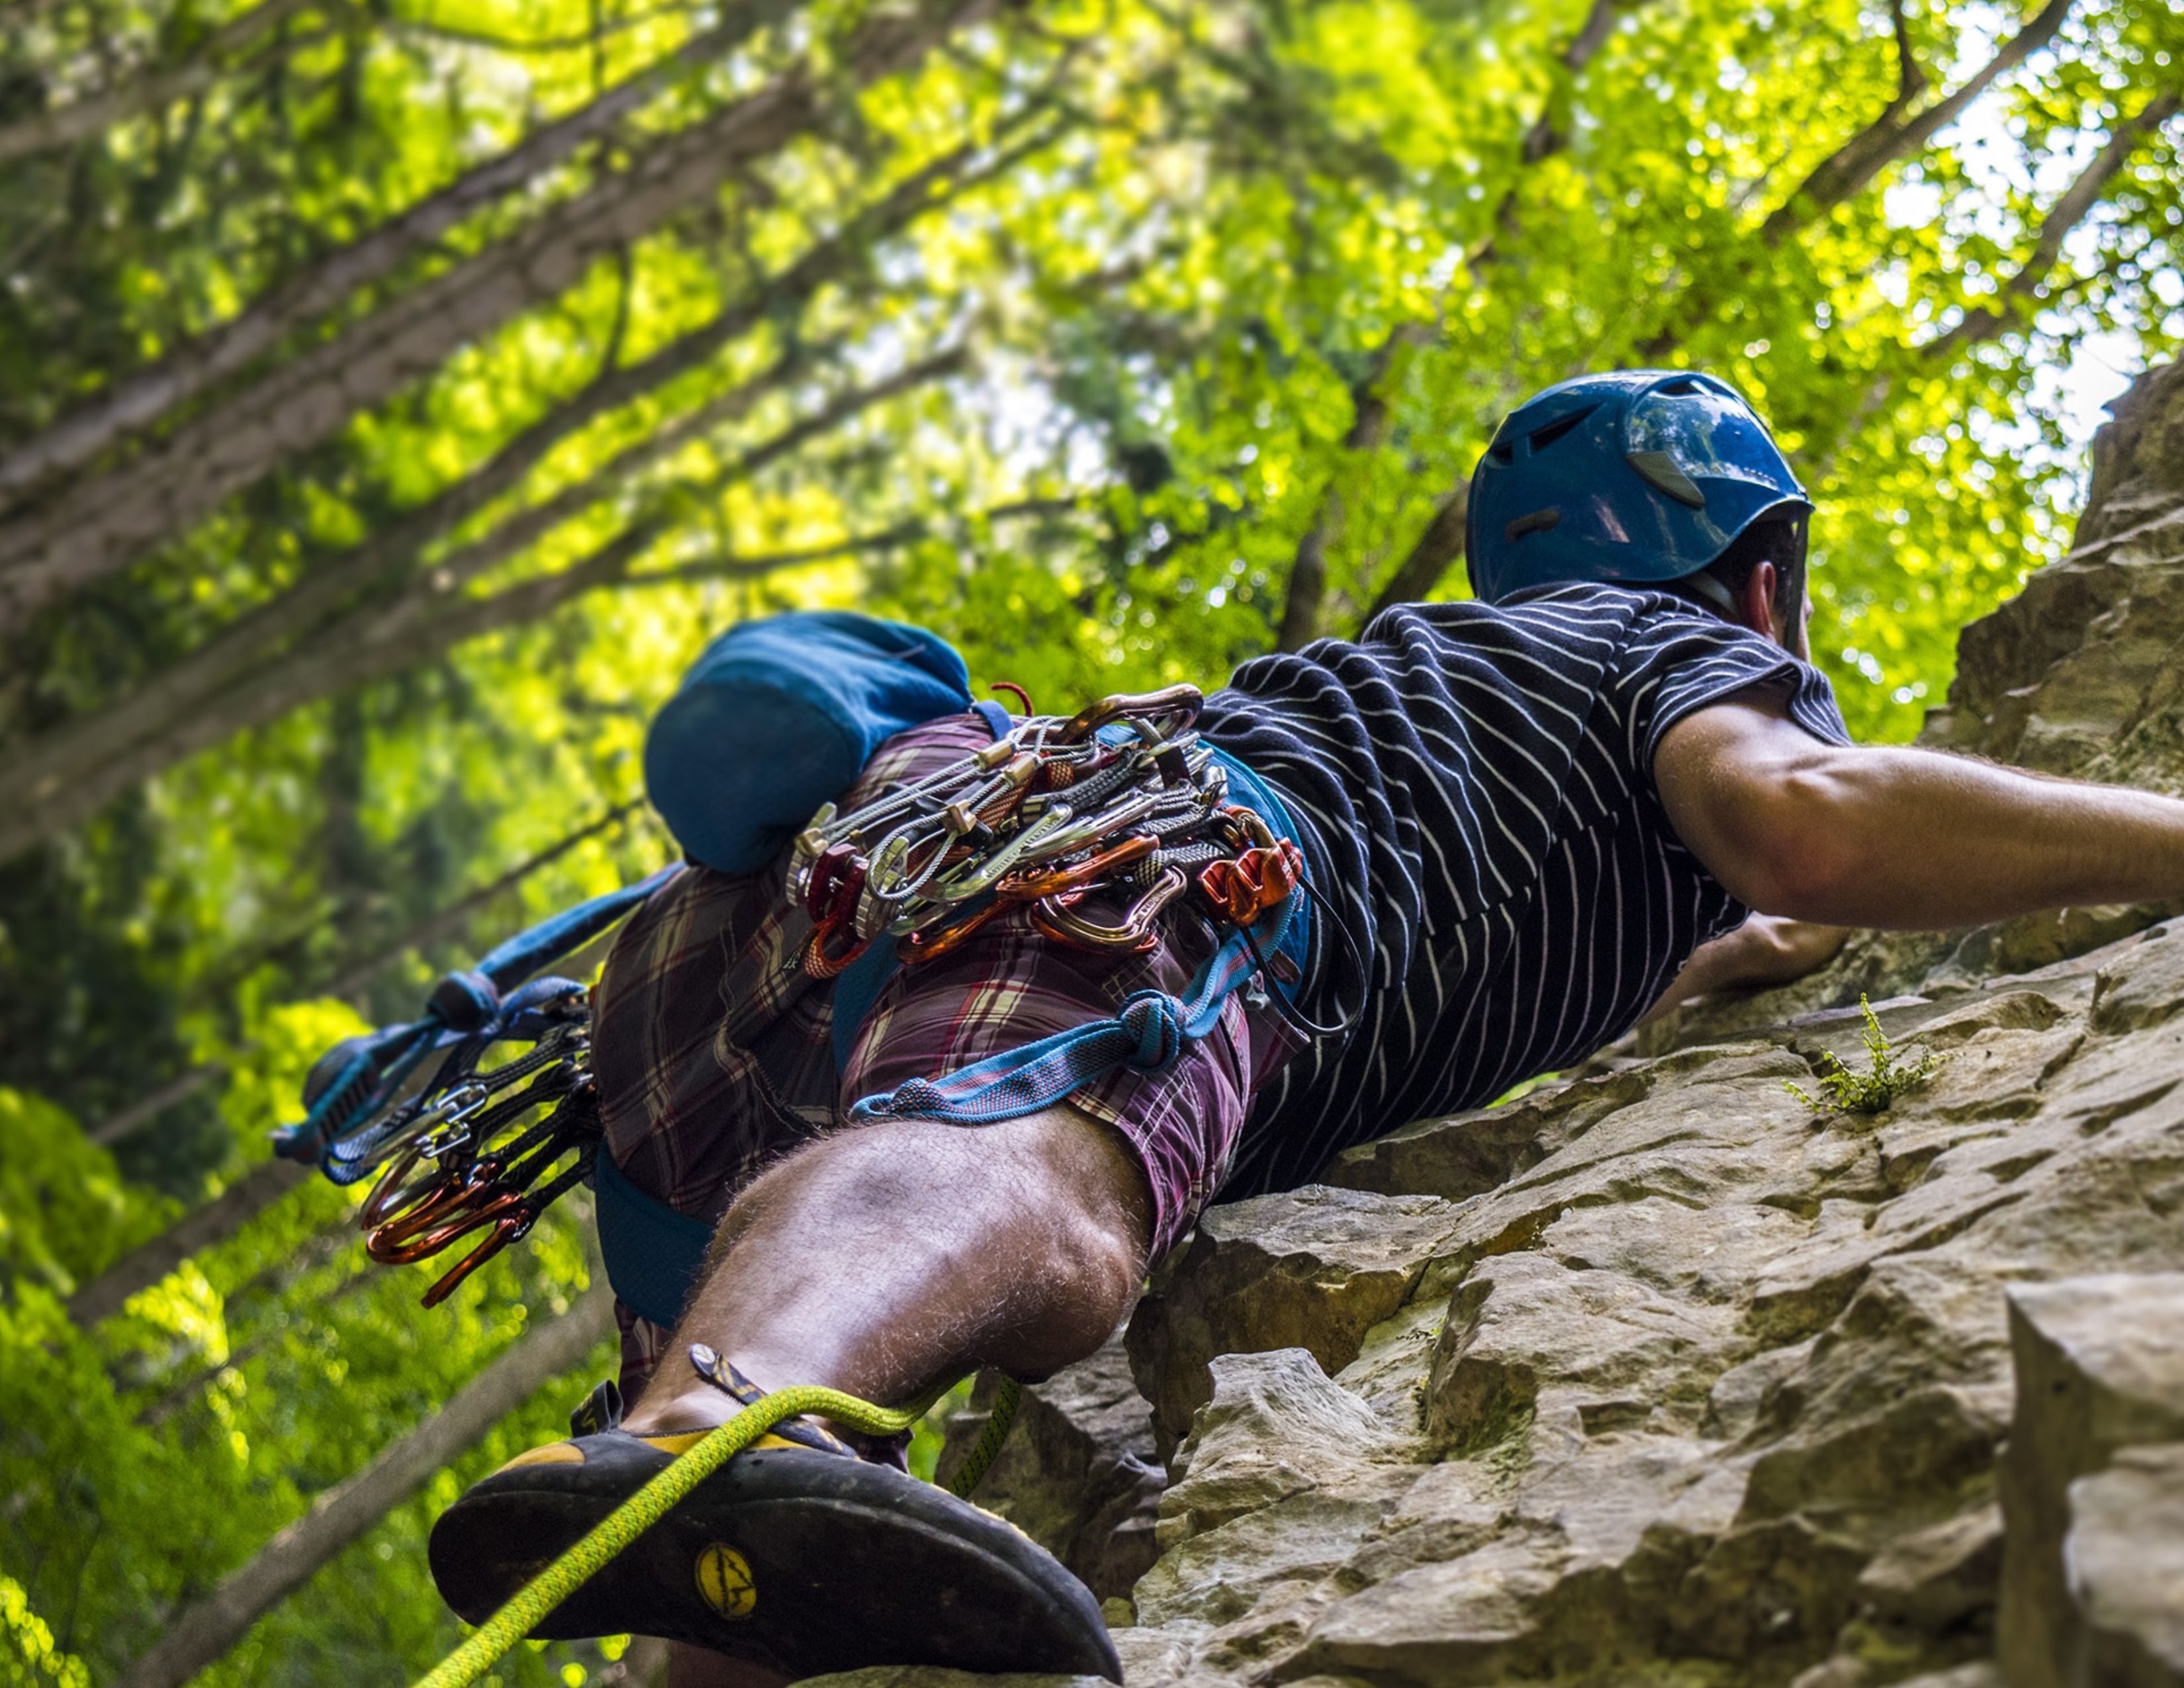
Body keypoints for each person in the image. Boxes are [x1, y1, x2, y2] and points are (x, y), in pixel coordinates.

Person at [431, 368, 2184, 1686]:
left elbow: (1697, 936)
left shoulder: (1464, 717)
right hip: (1153, 869)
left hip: (753, 961)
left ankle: (704, 1438)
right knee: (1043, 1196)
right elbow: (1801, 815)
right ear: (1751, 584)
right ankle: (720, 1418)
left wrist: (1749, 949)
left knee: (749, 1551)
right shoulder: (1670, 654)